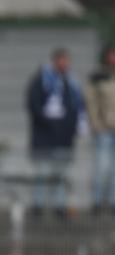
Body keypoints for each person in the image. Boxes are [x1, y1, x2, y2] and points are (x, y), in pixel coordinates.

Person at [26, 48, 83, 216]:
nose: (64, 64)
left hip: (63, 138)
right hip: (44, 137)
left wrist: (69, 126)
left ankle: (60, 206)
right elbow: (33, 105)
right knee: (42, 174)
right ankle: (37, 206)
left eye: (67, 60)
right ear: (55, 61)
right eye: (61, 60)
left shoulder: (71, 83)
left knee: (61, 175)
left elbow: (76, 109)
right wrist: (48, 119)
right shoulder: (41, 80)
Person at [84, 42, 115, 215]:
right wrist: (95, 123)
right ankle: (96, 202)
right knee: (101, 167)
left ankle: (112, 202)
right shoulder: (98, 76)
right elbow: (91, 102)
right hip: (104, 129)